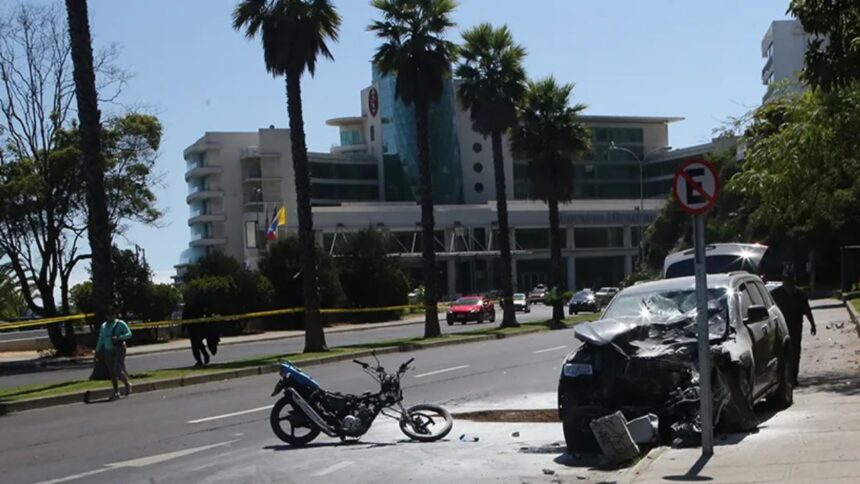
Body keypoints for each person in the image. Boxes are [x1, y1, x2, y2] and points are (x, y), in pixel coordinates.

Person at [771, 271, 817, 385]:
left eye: (790, 280)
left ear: (793, 280)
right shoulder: (775, 294)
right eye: (785, 280)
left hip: (795, 328)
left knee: (795, 353)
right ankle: (782, 378)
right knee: (781, 353)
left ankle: (793, 378)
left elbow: (807, 311)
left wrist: (812, 324)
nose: (788, 282)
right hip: (780, 328)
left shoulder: (800, 295)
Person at [95, 307, 133, 400]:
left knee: (117, 369)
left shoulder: (120, 324)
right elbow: (101, 338)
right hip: (108, 349)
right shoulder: (104, 326)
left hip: (119, 348)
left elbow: (129, 334)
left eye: (112, 314)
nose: (110, 317)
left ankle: (127, 384)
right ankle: (116, 391)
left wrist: (119, 337)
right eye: (108, 315)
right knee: (111, 371)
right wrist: (97, 350)